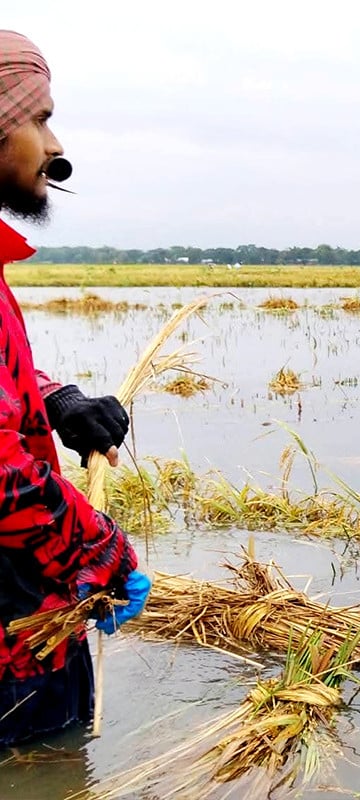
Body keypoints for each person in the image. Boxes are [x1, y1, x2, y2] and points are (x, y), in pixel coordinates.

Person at [0, 30, 149, 747]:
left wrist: (54, 399)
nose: (52, 142)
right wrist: (103, 552)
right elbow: (3, 480)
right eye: (39, 117)